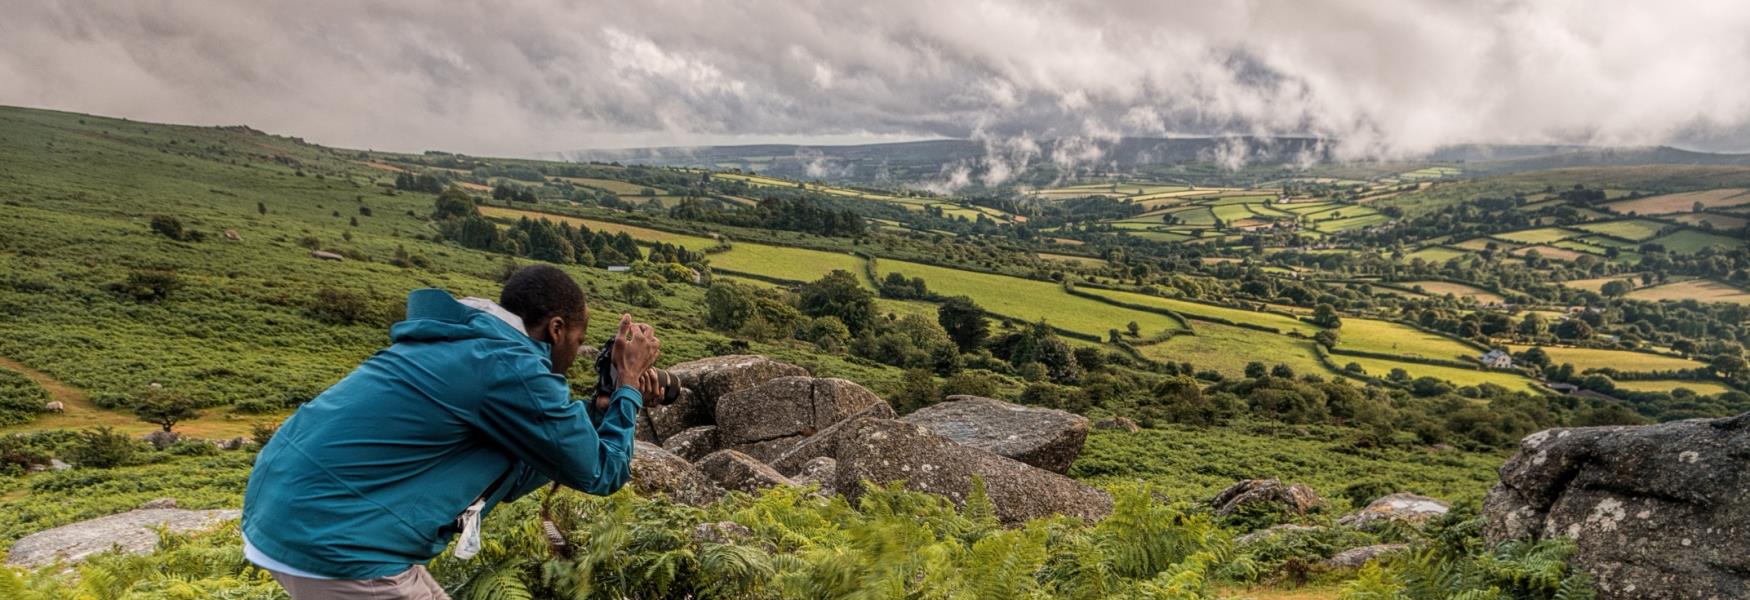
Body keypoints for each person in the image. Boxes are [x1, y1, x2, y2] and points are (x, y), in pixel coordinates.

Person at [241, 265, 661, 599]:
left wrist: (598, 411)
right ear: (555, 329)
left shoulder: (466, 342)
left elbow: (528, 464)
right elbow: (603, 472)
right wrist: (627, 385)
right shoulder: (510, 367)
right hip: (338, 541)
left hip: (286, 507)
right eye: (577, 338)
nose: (574, 352)